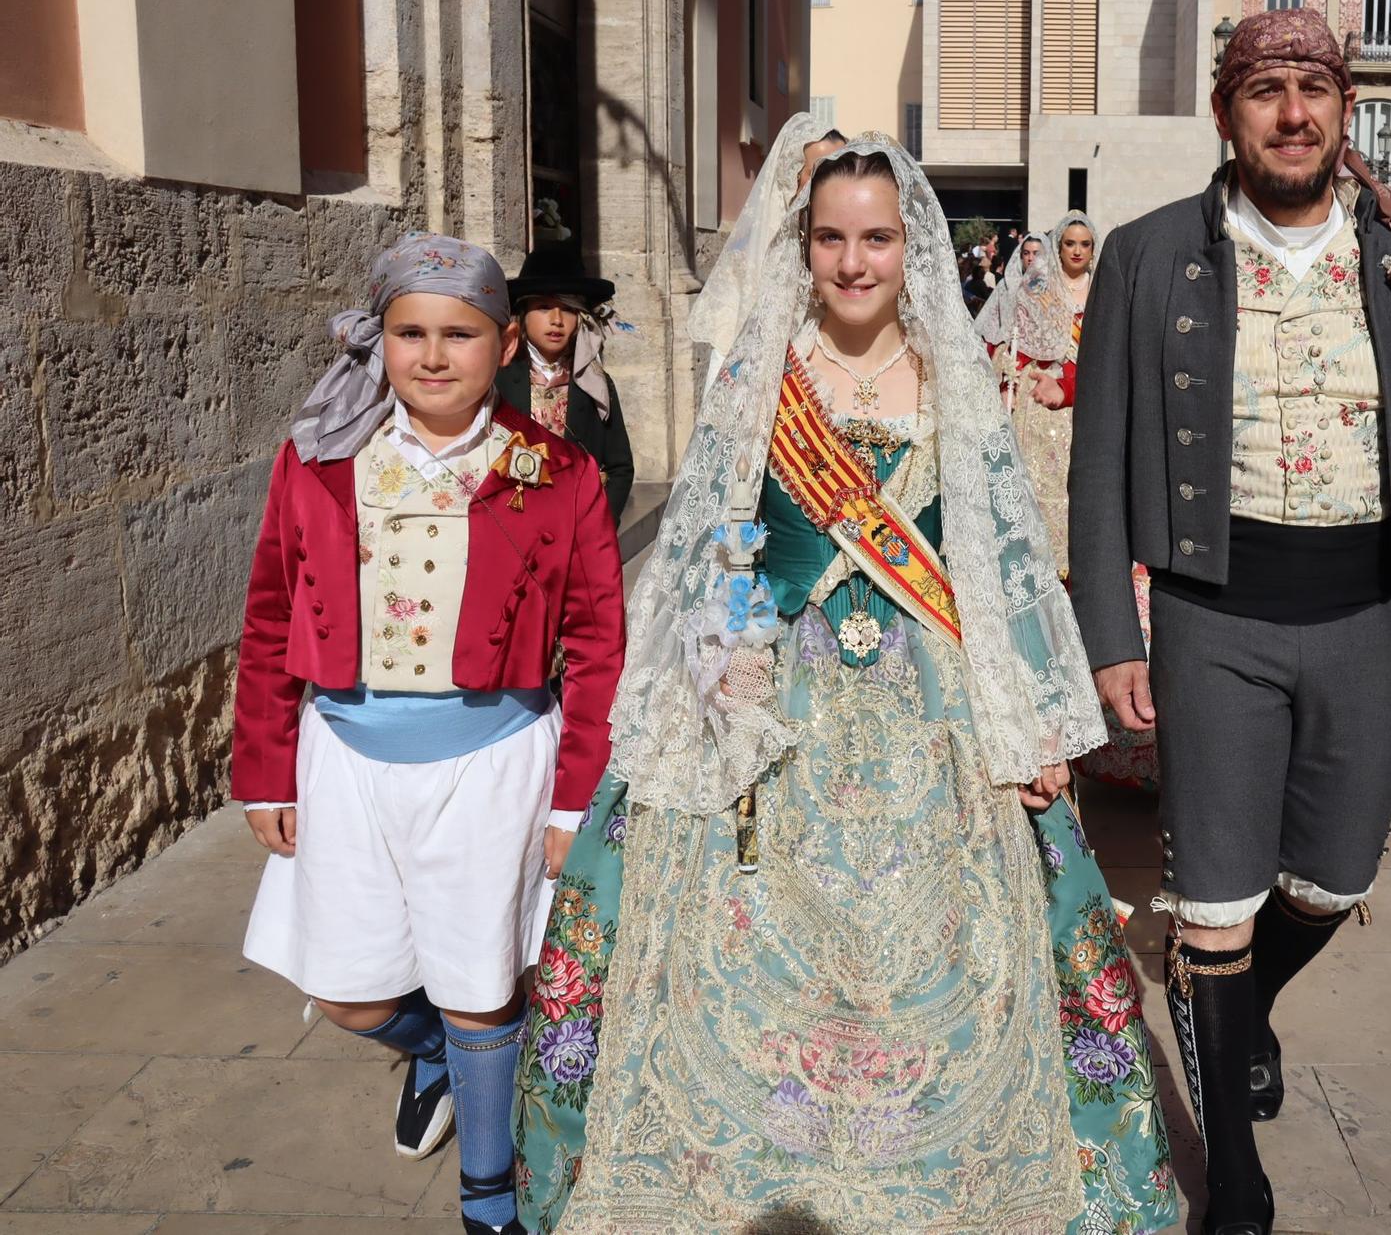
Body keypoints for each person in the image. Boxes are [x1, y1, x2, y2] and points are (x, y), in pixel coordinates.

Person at [513, 137, 1177, 1234]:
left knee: (942, 965)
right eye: (831, 237)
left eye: (876, 236)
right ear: (802, 243)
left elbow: (996, 548)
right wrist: (715, 673)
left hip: (934, 705)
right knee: (755, 952)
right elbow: (710, 542)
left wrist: (1031, 719)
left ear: (909, 243)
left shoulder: (953, 369)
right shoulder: (760, 372)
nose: (853, 260)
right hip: (774, 698)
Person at [1068, 9, 1391, 1235]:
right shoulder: (1149, 254)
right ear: (1227, 113)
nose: (1291, 112)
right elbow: (1099, 459)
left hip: (1368, 613)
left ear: (1342, 111)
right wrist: (1112, 631)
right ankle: (1239, 1179)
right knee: (1213, 895)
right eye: (1265, 89)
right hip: (1214, 616)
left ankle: (1236, 1013)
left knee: (1330, 877)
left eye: (1313, 88)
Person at [232, 233, 627, 1235]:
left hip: (493, 762)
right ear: (381, 340)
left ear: (501, 346)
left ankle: (490, 1196)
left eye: (459, 333)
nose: (434, 354)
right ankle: (444, 1058)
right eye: (411, 332)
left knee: (482, 986)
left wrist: (574, 796)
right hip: (345, 758)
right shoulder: (318, 458)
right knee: (350, 990)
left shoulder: (556, 471)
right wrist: (265, 769)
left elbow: (595, 641)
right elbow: (272, 610)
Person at [690, 116, 848, 396]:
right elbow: (728, 354)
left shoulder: (850, 247)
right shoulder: (750, 260)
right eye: (819, 171)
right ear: (792, 177)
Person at [500, 239, 637, 522]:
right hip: (514, 526)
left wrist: (600, 526)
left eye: (568, 308)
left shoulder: (595, 386)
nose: (556, 319)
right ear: (522, 316)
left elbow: (620, 467)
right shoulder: (498, 381)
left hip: (578, 530)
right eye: (543, 306)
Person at [1005, 211, 1097, 576]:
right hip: (1042, 404)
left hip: (1088, 401)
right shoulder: (1038, 286)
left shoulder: (1105, 287)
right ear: (1058, 247)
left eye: (1085, 244)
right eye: (1070, 243)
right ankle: (1037, 569)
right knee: (1039, 487)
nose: (1077, 251)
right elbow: (1020, 344)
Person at [974, 229, 1043, 368]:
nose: (1030, 258)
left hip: (1038, 358)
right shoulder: (1006, 285)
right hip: (1008, 355)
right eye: (1026, 253)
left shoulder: (1050, 288)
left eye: (1036, 253)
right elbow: (986, 320)